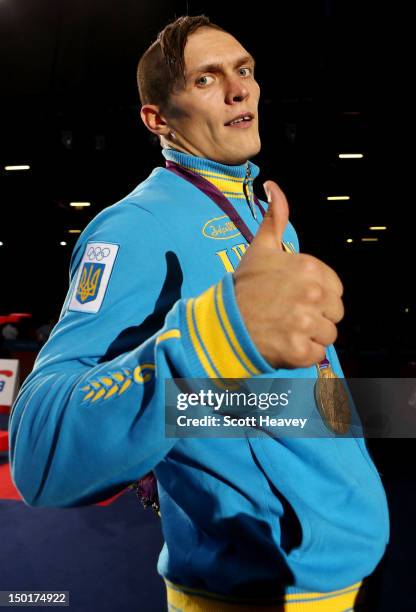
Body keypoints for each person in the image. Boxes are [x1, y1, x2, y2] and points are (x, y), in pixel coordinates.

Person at [9, 15, 389, 611]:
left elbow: (273, 395)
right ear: (157, 119)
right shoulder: (135, 226)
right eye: (207, 80)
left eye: (244, 70)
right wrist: (211, 341)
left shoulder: (264, 211)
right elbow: (40, 449)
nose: (240, 90)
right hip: (257, 586)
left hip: (336, 559)